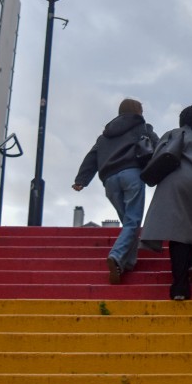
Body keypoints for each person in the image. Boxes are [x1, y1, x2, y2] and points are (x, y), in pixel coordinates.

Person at [72, 98, 158, 285]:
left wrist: (81, 180)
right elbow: (157, 145)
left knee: (129, 222)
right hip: (132, 174)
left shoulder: (105, 136)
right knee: (132, 222)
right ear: (138, 112)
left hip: (110, 181)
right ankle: (117, 256)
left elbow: (92, 156)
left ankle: (127, 263)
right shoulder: (141, 127)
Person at [140, 106, 192, 301]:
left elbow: (157, 157)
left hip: (173, 184)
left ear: (181, 120)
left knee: (177, 234)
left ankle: (180, 287)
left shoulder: (171, 134)